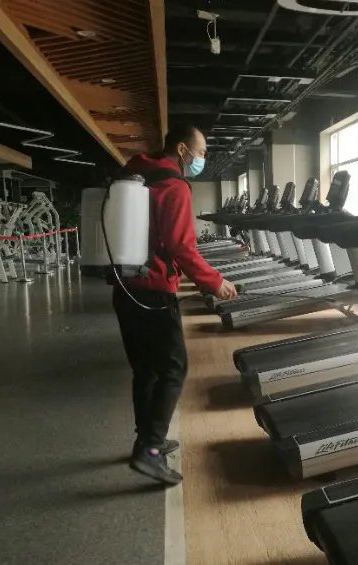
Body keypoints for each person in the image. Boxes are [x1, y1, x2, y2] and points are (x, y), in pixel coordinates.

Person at [113, 124, 238, 485]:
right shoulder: (174, 186)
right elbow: (182, 246)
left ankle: (146, 439)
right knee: (173, 367)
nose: (203, 158)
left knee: (146, 369)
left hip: (125, 287)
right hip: (153, 291)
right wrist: (214, 282)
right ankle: (150, 452)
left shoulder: (137, 174)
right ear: (182, 150)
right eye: (201, 152)